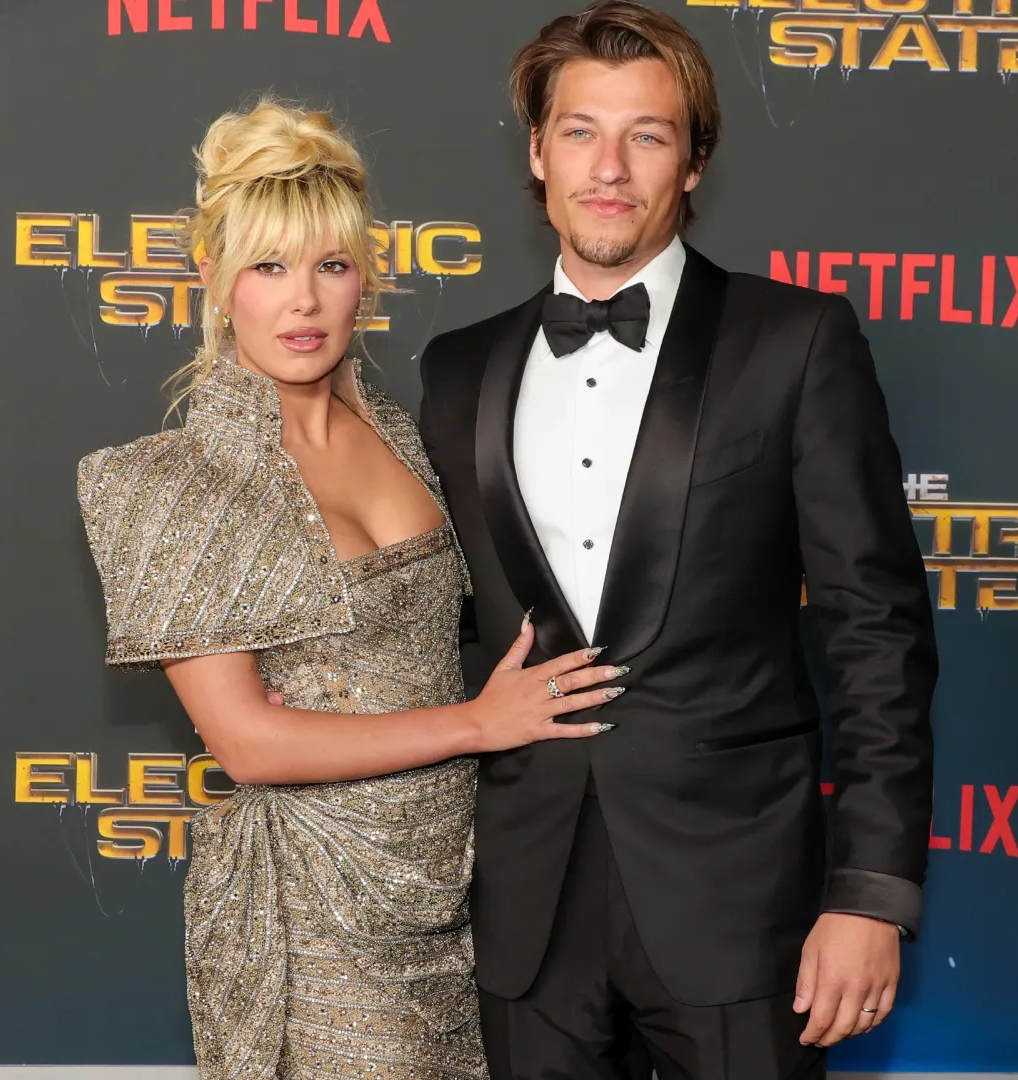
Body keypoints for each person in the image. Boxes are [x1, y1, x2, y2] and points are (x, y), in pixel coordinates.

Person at [415, 5, 939, 1078]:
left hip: (740, 902)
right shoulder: (457, 369)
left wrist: (871, 897)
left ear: (695, 161)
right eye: (579, 131)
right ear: (536, 149)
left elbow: (876, 635)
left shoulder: (795, 341)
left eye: (647, 135)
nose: (608, 168)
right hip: (524, 906)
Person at [74, 99, 626, 1080]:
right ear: (214, 281)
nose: (304, 303)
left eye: (331, 266)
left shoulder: (410, 436)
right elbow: (247, 743)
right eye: (269, 268)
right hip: (316, 902)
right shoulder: (163, 484)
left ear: (365, 281)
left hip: (463, 879)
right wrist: (478, 723)